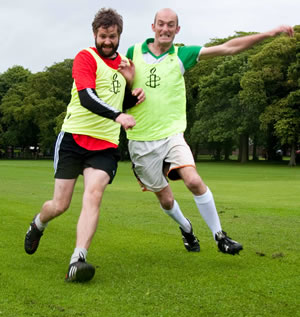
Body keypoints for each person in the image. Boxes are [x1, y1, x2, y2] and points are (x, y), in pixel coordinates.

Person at [122, 8, 294, 255]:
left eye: (171, 25)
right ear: (153, 27)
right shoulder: (133, 52)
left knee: (193, 180)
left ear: (177, 30)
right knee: (167, 200)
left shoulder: (182, 54)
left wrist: (269, 33)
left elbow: (229, 48)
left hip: (172, 135)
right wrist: (128, 89)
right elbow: (119, 90)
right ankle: (186, 228)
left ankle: (220, 236)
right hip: (140, 140)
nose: (165, 29)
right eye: (161, 24)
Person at [24, 8, 144, 282]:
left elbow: (118, 102)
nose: (107, 42)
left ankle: (77, 259)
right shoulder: (85, 57)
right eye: (103, 36)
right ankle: (38, 224)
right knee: (60, 204)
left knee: (94, 194)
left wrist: (132, 93)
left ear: (118, 36)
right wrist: (118, 114)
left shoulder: (124, 65)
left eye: (112, 37)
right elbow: (88, 97)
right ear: (95, 34)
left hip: (105, 145)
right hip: (73, 140)